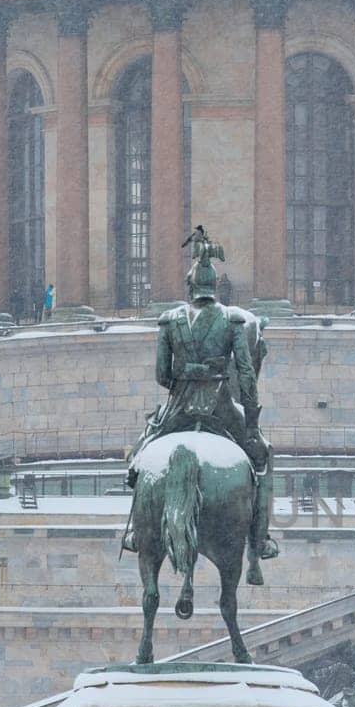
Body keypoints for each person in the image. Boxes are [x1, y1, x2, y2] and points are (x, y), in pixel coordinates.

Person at [123, 233, 277, 571]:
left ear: (189, 286)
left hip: (179, 406)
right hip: (220, 405)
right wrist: (250, 416)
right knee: (262, 458)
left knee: (137, 461)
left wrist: (186, 371)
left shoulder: (170, 321)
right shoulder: (232, 320)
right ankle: (260, 541)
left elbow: (162, 376)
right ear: (214, 288)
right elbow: (246, 374)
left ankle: (136, 531)